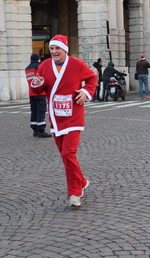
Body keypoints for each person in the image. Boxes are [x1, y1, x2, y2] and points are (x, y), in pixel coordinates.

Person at [31, 34, 97, 207]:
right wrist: (37, 83)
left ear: (65, 49)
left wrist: (86, 92)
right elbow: (37, 89)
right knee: (65, 155)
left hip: (74, 115)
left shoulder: (77, 64)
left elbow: (92, 78)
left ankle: (75, 192)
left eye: (57, 48)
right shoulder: (44, 66)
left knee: (69, 153)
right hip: (56, 116)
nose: (54, 52)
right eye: (51, 49)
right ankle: (81, 180)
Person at [25, 53, 52, 138]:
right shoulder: (39, 66)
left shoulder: (27, 68)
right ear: (38, 59)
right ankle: (41, 130)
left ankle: (35, 129)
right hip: (40, 92)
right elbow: (43, 78)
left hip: (31, 92)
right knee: (41, 110)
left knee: (34, 111)